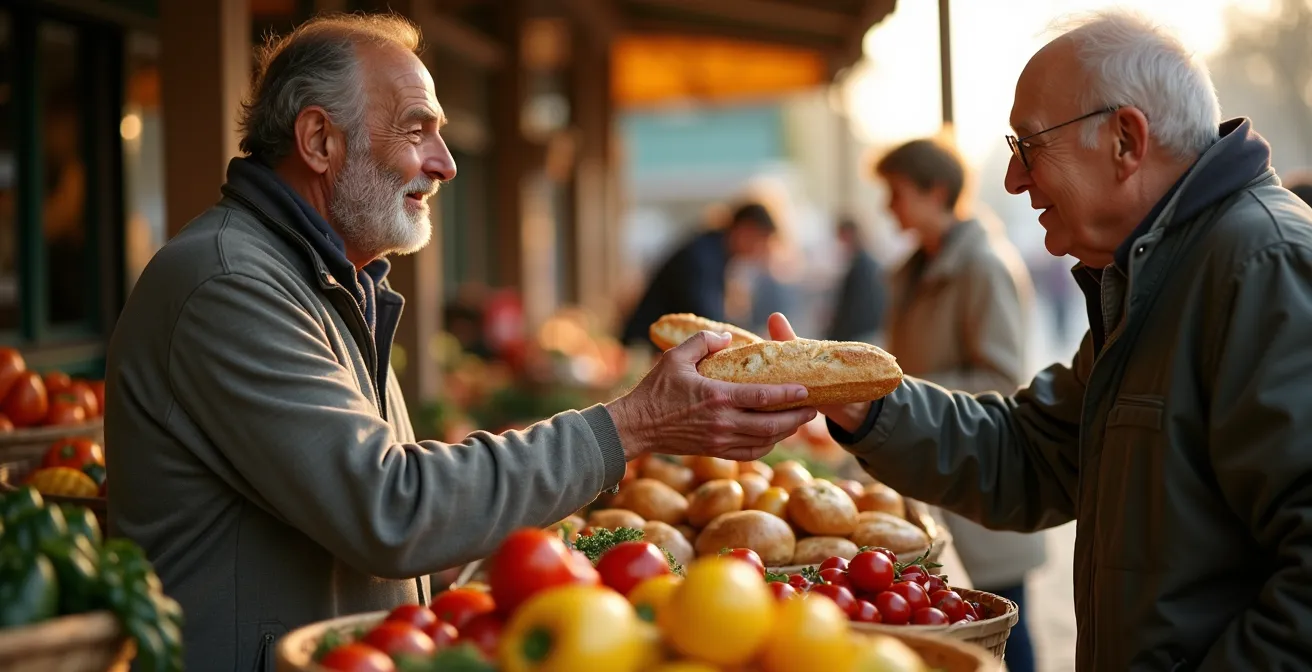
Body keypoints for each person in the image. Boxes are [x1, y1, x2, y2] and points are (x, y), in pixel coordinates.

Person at [103, 15, 818, 670]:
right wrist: (633, 424)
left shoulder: (330, 276)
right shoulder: (228, 285)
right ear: (319, 141)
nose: (445, 163)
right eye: (417, 130)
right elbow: (390, 509)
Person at [769, 10, 1312, 670]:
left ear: (1125, 140)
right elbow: (1034, 451)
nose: (1012, 179)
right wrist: (862, 400)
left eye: (1029, 145)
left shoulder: (1263, 265)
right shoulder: (1156, 275)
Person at [872, 138, 1044, 672]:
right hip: (935, 467)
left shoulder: (984, 265)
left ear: (936, 192)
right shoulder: (912, 269)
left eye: (896, 192)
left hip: (980, 476)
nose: (888, 206)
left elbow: (1000, 377)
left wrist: (895, 390)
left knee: (1004, 629)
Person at [620, 203, 776, 348]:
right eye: (761, 242)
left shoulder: (713, 251)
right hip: (643, 346)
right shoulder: (702, 257)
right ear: (746, 231)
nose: (759, 251)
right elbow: (708, 319)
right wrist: (752, 340)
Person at [823, 217, 887, 344]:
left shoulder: (862, 266)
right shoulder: (866, 262)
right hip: (866, 332)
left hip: (860, 335)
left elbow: (854, 309)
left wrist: (834, 336)